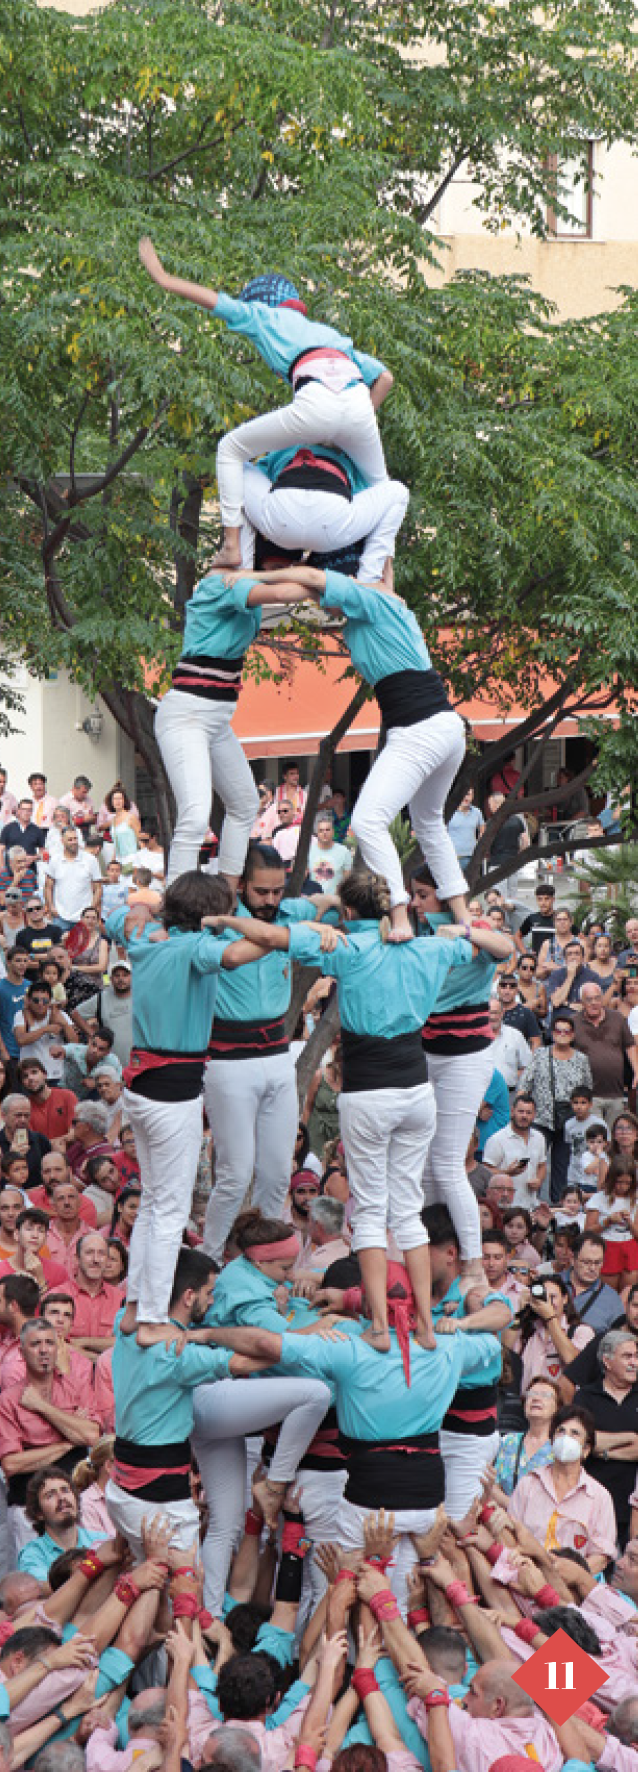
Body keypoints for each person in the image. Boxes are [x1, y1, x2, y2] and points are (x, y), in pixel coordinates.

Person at [213, 868, 477, 1348]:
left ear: (349, 911)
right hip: (416, 1090)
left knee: (372, 1212)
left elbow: (269, 936)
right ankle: (423, 1322)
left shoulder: (350, 947)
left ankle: (378, 1326)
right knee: (408, 1210)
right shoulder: (428, 947)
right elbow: (476, 944)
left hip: (371, 1089)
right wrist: (455, 923)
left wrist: (223, 919)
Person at [107, 869, 339, 1338]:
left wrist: (143, 906)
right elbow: (238, 953)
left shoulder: (144, 936)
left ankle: (135, 1307)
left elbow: (121, 915)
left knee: (154, 1204)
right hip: (172, 1088)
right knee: (169, 1211)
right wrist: (278, 932)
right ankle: (152, 1318)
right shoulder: (193, 946)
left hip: (144, 1085)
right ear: (209, 915)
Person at [139, 240, 393, 570]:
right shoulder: (328, 334)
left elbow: (216, 302)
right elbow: (384, 378)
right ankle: (380, 575)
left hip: (317, 401)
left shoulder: (264, 316)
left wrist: (164, 278)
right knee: (383, 490)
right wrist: (350, 424)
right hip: (358, 405)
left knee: (230, 449)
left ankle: (233, 548)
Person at [257, 563, 470, 941]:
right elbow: (348, 581)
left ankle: (400, 916)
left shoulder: (370, 598)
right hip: (443, 727)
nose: (324, 607)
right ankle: (465, 918)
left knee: (369, 820)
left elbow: (314, 580)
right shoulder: (376, 607)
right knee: (428, 823)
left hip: (419, 727)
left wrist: (255, 576)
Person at [202, 845, 338, 1264]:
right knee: (234, 1174)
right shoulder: (217, 919)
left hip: (278, 1056)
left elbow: (323, 903)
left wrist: (331, 903)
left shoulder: (289, 913)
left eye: (277, 891)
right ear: (242, 885)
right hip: (229, 1059)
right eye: (262, 892)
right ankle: (210, 1259)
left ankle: (262, 1258)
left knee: (278, 1173)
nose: (270, 900)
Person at [105, 1246, 280, 1557]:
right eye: (209, 1293)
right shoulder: (179, 1354)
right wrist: (207, 1334)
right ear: (188, 1296)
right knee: (185, 1583)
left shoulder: (127, 1324)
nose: (212, 1301)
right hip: (159, 1498)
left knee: (149, 1578)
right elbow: (264, 1350)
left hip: (123, 1487)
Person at [411, 864, 514, 1271]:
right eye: (414, 895)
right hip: (424, 1054)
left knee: (448, 1162)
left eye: (422, 895)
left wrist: (464, 931)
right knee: (422, 1164)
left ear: (442, 895)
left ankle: (472, 1263)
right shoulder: (416, 931)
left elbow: (505, 949)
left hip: (465, 1058)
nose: (416, 903)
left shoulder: (474, 928)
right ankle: (430, 1252)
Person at [0, 1320, 99, 1557]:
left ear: (58, 1348)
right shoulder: (9, 1399)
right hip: (28, 1508)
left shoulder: (77, 1387)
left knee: (82, 1572)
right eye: (36, 1344)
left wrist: (41, 1406)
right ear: (22, 1352)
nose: (44, 1350)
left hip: (76, 1505)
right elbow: (12, 1464)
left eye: (49, 1343)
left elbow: (92, 1436)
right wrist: (68, 1441)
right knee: (33, 1577)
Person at [508, 1400, 618, 1568]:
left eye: (575, 1433)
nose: (566, 1438)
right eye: (561, 1431)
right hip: (526, 1573)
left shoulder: (599, 1497)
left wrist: (568, 1576)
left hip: (575, 1581)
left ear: (586, 1449)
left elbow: (601, 1556)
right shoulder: (528, 1484)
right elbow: (510, 1536)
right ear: (552, 1441)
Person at [573, 1330, 638, 1550]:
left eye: (636, 1356)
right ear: (607, 1361)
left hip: (633, 1508)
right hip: (592, 1503)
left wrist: (603, 1450)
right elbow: (580, 1440)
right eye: (627, 1356)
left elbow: (591, 1442)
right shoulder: (585, 1397)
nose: (634, 1363)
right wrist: (631, 1437)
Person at [519, 1014, 593, 1201]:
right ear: (552, 1033)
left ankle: (559, 1206)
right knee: (534, 1162)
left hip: (570, 1120)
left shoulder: (582, 1059)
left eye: (567, 1031)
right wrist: (521, 1109)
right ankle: (530, 1205)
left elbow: (587, 1089)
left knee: (563, 1166)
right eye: (558, 1031)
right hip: (541, 1118)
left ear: (573, 1035)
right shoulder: (540, 1055)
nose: (562, 1034)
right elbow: (525, 1084)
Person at [573, 982, 638, 1127]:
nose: (594, 1003)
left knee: (615, 1135)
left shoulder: (617, 1018)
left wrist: (637, 1070)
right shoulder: (574, 1022)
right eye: (589, 999)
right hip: (589, 1095)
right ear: (581, 1002)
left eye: (597, 998)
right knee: (595, 1135)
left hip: (616, 1092)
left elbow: (630, 1045)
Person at [494, 1375, 560, 1495]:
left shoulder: (559, 1447)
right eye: (531, 1394)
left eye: (545, 1395)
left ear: (557, 1408)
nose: (536, 1398)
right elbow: (495, 1486)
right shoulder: (509, 1440)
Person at [483, 1093, 547, 1214]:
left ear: (534, 1115)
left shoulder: (539, 1138)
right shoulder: (497, 1140)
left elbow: (542, 1165)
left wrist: (539, 1180)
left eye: (528, 1113)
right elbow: (485, 1171)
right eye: (521, 1111)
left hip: (532, 1206)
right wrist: (506, 1172)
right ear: (512, 1112)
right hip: (506, 1208)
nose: (524, 1116)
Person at [584, 1157, 638, 1288]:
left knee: (628, 1292)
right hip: (608, 1247)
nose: (623, 1187)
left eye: (627, 1183)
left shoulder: (634, 1200)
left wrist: (630, 1222)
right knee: (608, 1292)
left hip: (629, 1247)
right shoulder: (599, 1198)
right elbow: (587, 1232)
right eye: (619, 1182)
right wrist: (608, 1221)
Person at [14, 982, 75, 1083]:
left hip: (57, 1074)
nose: (40, 1004)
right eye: (36, 1000)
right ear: (29, 1000)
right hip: (30, 1076)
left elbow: (75, 1043)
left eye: (45, 1001)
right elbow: (21, 1040)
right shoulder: (20, 1015)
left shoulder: (61, 1015)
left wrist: (65, 1025)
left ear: (50, 1001)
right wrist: (46, 1029)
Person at [563, 1231, 622, 1333]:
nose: (592, 1268)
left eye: (598, 1262)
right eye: (586, 1262)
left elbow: (618, 1338)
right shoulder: (552, 1284)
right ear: (572, 1259)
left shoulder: (612, 1299)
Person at [78, 961, 133, 1069]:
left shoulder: (141, 997)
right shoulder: (101, 998)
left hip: (138, 1062)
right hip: (109, 1063)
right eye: (117, 975)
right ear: (111, 979)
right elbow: (76, 1014)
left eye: (125, 975)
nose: (121, 979)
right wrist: (92, 1034)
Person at [44, 828, 101, 931]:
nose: (74, 842)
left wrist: (91, 910)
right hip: (60, 916)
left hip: (84, 918)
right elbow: (48, 886)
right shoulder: (55, 860)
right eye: (70, 839)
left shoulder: (91, 860)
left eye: (75, 838)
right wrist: (51, 907)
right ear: (62, 841)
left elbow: (98, 888)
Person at [19, 1062, 77, 1150]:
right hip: (41, 1156)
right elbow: (31, 1143)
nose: (30, 1078)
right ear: (22, 1083)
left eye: (34, 1072)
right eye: (25, 1076)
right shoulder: (24, 1107)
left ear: (45, 1075)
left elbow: (74, 1134)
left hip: (70, 1152)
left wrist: (47, 1144)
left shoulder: (68, 1096)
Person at [0, 1093, 51, 1189]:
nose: (23, 1120)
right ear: (4, 1116)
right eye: (18, 1115)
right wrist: (11, 1157)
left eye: (27, 1116)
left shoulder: (40, 1141)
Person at [484, 792, 529, 895]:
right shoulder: (517, 820)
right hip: (513, 861)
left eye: (490, 804)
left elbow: (485, 845)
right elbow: (525, 841)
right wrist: (518, 852)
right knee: (512, 892)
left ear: (496, 804)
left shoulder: (491, 823)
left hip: (497, 862)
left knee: (499, 893)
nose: (490, 807)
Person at [486, 997, 532, 1092]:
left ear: (502, 1013)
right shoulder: (475, 1038)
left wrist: (515, 1079)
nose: (492, 1017)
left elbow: (528, 1065)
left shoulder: (515, 1035)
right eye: (489, 1013)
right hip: (481, 1093)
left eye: (495, 1013)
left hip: (509, 1092)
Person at [0, 948, 30, 1084]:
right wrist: (3, 1051)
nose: (22, 964)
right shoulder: (1, 987)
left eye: (25, 961)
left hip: (29, 1050)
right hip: (10, 1051)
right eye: (18, 961)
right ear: (8, 962)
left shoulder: (30, 986)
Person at [14, 898, 63, 975]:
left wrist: (33, 956)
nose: (35, 911)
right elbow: (22, 962)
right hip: (31, 978)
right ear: (26, 913)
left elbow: (59, 958)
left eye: (38, 908)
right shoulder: (21, 935)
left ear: (43, 909)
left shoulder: (56, 931)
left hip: (54, 978)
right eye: (30, 910)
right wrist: (49, 959)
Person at [96, 783, 141, 867]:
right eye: (115, 799)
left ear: (124, 801)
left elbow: (141, 839)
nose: (117, 801)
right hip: (118, 861)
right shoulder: (113, 820)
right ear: (111, 802)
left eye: (120, 798)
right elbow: (117, 844)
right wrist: (113, 861)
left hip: (132, 859)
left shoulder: (131, 817)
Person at [308, 813, 353, 894]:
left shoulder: (344, 852)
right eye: (321, 830)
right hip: (314, 898)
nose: (324, 833)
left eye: (327, 830)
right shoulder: (309, 851)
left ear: (333, 832)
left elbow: (347, 879)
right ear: (317, 834)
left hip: (335, 898)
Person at [496, 972, 542, 1049]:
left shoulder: (526, 1013)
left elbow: (536, 1041)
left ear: (517, 990)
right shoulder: (488, 1011)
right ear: (498, 989)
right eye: (503, 986)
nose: (507, 991)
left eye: (512, 987)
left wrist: (530, 1056)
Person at [447, 787, 484, 875]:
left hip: (471, 857)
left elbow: (482, 830)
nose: (466, 798)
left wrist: (479, 846)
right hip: (452, 858)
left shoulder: (476, 812)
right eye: (464, 794)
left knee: (471, 882)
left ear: (472, 796)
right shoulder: (449, 812)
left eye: (469, 795)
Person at [0, 799, 46, 869]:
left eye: (29, 810)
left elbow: (43, 853)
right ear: (18, 811)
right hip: (11, 872)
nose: (26, 812)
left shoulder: (37, 830)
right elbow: (0, 850)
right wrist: (2, 870)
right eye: (24, 809)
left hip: (30, 872)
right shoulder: (8, 828)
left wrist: (34, 857)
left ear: (32, 812)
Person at [515, 880, 556, 955]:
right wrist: (526, 955)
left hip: (556, 960)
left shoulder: (560, 918)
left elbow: (578, 936)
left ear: (553, 900)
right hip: (537, 960)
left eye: (546, 899)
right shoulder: (532, 918)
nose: (543, 903)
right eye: (540, 899)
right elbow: (517, 936)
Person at [537, 906, 577, 979]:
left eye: (565, 919)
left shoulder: (580, 943)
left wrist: (557, 968)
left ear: (571, 922)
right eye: (558, 920)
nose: (562, 922)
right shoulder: (547, 944)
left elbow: (585, 971)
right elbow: (538, 974)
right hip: (551, 983)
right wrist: (546, 970)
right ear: (554, 923)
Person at [270, 800, 302, 872]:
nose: (282, 814)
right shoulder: (276, 830)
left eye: (285, 811)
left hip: (299, 864)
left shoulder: (302, 826)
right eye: (279, 812)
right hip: (281, 866)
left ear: (293, 811)